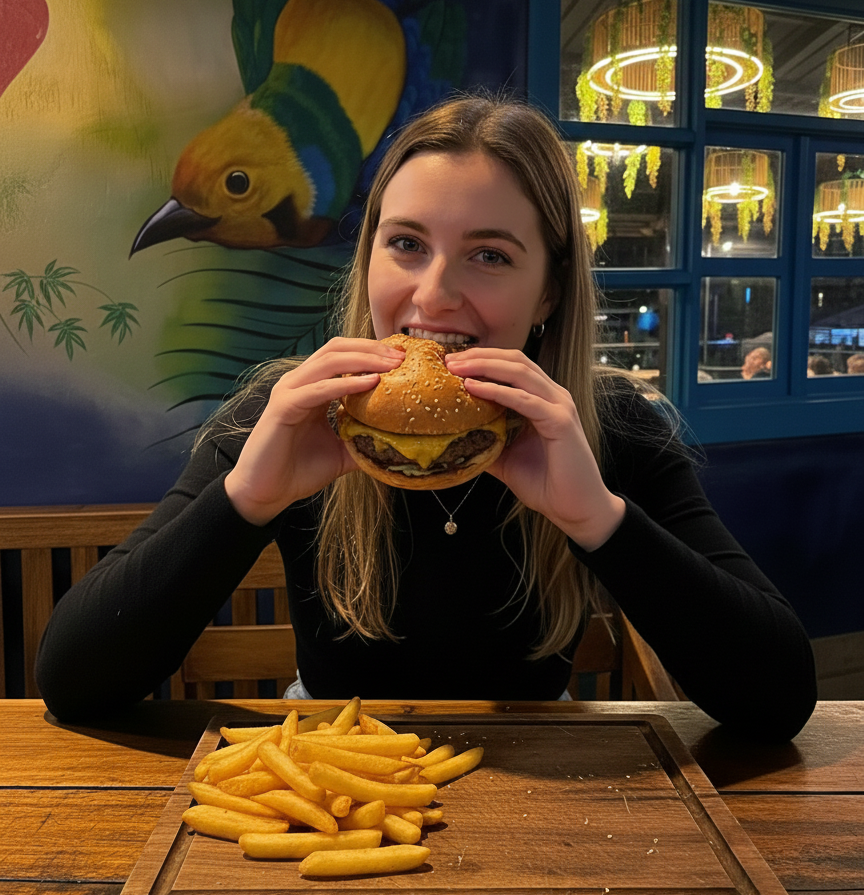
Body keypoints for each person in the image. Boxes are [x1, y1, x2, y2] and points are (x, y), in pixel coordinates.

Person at [36, 95, 816, 740]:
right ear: (369, 258)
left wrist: (599, 520)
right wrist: (246, 500)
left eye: (490, 255)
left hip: (544, 768)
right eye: (406, 243)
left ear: (548, 292)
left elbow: (779, 699)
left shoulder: (607, 425)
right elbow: (73, 680)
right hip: (336, 767)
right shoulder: (289, 414)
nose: (434, 294)